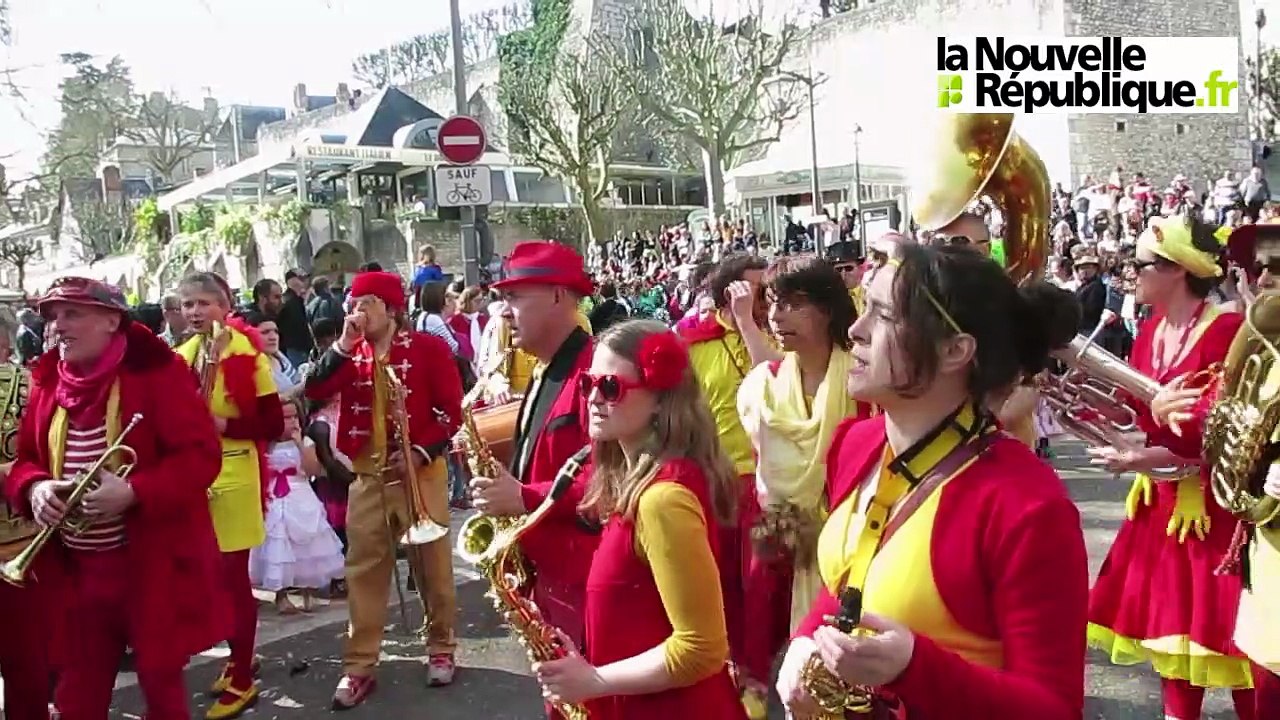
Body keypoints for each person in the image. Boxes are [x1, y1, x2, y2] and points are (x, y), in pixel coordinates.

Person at [775, 244, 1089, 719]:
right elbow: (852, 580)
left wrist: (914, 667)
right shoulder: (856, 443)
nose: (856, 331)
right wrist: (805, 639)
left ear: (955, 350)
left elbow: (1053, 708)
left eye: (882, 315)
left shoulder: (1027, 504)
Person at [6, 277, 226, 720]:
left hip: (148, 568)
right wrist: (34, 488)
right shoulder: (49, 379)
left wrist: (135, 491)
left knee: (162, 691)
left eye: (72, 314)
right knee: (76, 697)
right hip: (76, 573)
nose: (57, 326)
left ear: (111, 320)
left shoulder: (157, 373)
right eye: (53, 316)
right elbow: (26, 459)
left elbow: (202, 456)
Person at [1086, 215, 1255, 719]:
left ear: (1177, 269)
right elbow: (1142, 415)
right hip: (1161, 509)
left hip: (1213, 508)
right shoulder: (1153, 329)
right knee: (1171, 644)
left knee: (1236, 645)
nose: (1129, 274)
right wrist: (1107, 412)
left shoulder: (1227, 328)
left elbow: (1222, 431)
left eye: (1139, 265)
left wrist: (1143, 454)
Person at [533, 320, 746, 718]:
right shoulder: (639, 484)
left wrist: (595, 680)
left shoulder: (662, 499)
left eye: (610, 387)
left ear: (662, 400)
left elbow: (701, 648)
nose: (593, 398)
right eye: (586, 383)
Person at [305, 270, 463, 708]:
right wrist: (340, 346)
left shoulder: (428, 349)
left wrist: (422, 451)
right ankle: (358, 666)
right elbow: (315, 390)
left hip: (420, 472)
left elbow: (453, 413)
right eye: (353, 303)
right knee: (363, 573)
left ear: (391, 309)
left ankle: (442, 647)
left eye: (367, 303)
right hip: (367, 474)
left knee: (433, 568)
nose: (356, 311)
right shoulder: (347, 354)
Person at [467, 241, 600, 719]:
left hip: (586, 581)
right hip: (549, 581)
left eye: (516, 297)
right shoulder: (546, 371)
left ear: (560, 297)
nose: (504, 312)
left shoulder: (595, 372)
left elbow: (613, 483)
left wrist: (523, 496)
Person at [734, 255, 869, 705]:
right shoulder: (763, 386)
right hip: (778, 545)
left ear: (828, 309)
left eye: (794, 303)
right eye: (772, 302)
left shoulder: (865, 381)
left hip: (851, 551)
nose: (776, 315)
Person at [175, 272, 284, 720]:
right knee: (213, 578)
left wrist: (221, 425)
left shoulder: (247, 355)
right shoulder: (182, 356)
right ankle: (239, 656)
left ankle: (242, 676)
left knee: (234, 576)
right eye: (187, 305)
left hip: (236, 471)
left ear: (225, 307)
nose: (195, 312)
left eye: (204, 303)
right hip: (196, 475)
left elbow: (273, 426)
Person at [674, 253, 777, 718]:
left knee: (760, 586)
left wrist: (748, 325)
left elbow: (775, 380)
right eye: (755, 289)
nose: (764, 298)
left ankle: (755, 675)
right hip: (715, 481)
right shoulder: (691, 341)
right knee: (720, 585)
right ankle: (729, 667)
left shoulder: (777, 333)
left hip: (769, 481)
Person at [0, 350, 63, 720]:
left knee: (27, 666)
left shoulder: (35, 387)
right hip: (22, 541)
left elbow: (50, 459)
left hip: (20, 546)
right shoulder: (37, 384)